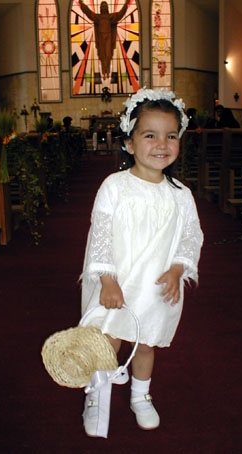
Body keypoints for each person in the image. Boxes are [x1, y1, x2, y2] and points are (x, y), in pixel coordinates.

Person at [80, 88, 204, 437]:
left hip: (153, 285)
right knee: (106, 342)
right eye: (149, 135)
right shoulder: (114, 186)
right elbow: (100, 234)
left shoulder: (181, 195)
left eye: (170, 136)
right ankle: (97, 397)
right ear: (130, 143)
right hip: (116, 282)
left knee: (145, 342)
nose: (161, 144)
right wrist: (106, 279)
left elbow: (191, 236)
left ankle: (140, 394)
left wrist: (179, 267)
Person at [79, 0, 130, 79]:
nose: (103, 7)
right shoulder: (98, 17)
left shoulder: (110, 17)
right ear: (100, 8)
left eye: (105, 6)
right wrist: (82, 4)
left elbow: (120, 14)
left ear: (107, 8)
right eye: (102, 6)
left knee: (108, 55)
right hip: (101, 38)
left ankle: (107, 71)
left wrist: (126, 4)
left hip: (109, 37)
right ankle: (104, 72)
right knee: (102, 55)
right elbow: (88, 13)